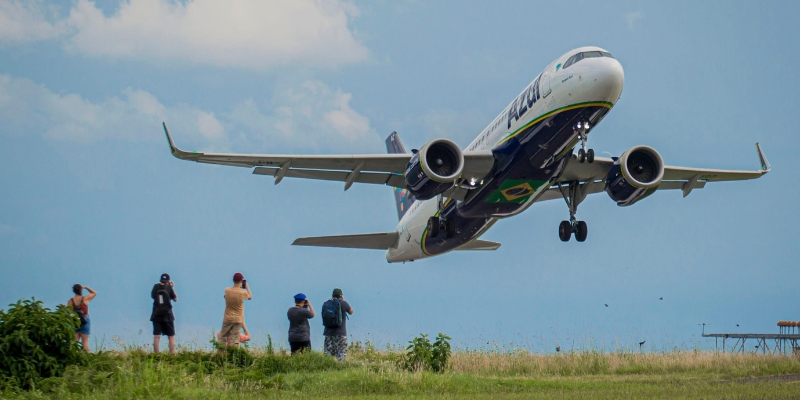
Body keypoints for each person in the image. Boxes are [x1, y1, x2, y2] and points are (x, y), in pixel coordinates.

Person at [219, 272, 252, 347]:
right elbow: (250, 297)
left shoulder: (227, 290)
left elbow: (225, 296)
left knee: (223, 339)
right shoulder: (243, 292)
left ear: (233, 280)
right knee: (235, 340)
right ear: (241, 281)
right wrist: (247, 287)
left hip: (227, 318)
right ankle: (234, 356)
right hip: (238, 319)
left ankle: (220, 356)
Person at [322, 287, 353, 361]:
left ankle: (327, 370)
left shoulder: (326, 304)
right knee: (341, 355)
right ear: (341, 296)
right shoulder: (343, 303)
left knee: (328, 355)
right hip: (340, 334)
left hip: (328, 333)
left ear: (333, 295)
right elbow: (351, 311)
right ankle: (339, 370)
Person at [150, 273, 178, 354]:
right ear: (168, 281)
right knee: (171, 336)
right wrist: (172, 287)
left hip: (156, 314)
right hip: (168, 315)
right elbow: (175, 299)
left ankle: (156, 354)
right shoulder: (169, 287)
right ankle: (172, 354)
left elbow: (152, 296)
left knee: (156, 335)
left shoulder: (156, 287)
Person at [66, 284, 97, 351]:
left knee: (75, 342)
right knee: (85, 342)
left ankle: (74, 357)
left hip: (75, 322)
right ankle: (86, 358)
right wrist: (86, 287)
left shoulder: (70, 301)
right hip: (85, 321)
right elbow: (94, 293)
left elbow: (68, 312)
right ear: (81, 290)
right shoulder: (85, 299)